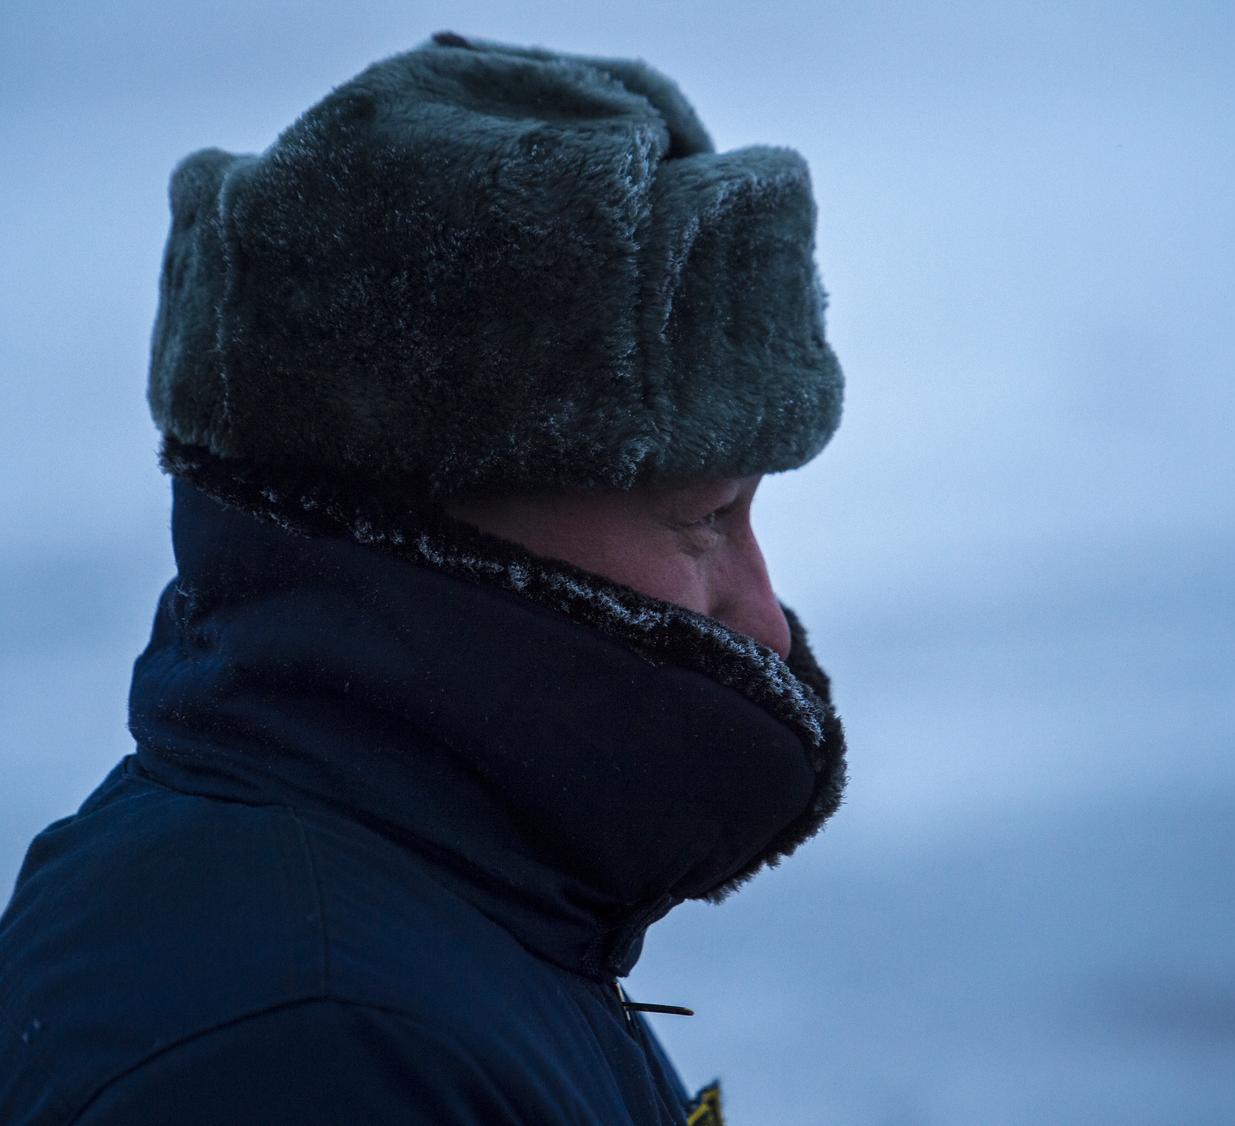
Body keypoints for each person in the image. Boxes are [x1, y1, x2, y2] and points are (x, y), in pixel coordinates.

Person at [0, 29, 846, 1125]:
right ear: (430, 519)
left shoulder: (426, 906)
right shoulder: (310, 1045)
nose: (763, 618)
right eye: (703, 519)